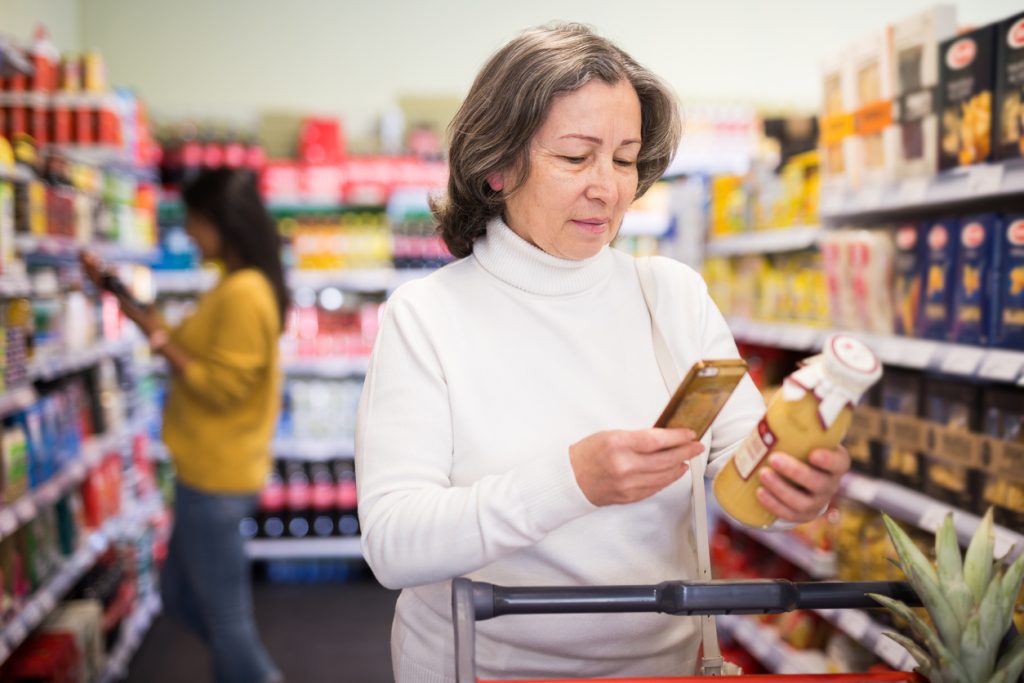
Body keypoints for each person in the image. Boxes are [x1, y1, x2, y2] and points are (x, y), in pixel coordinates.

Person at [355, 23, 851, 682]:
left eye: (624, 159)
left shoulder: (671, 296)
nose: (609, 188)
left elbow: (746, 467)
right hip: (482, 668)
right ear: (497, 164)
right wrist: (572, 482)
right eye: (575, 157)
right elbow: (394, 543)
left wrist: (798, 489)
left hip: (666, 667)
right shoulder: (428, 318)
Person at [81, 169, 287, 683]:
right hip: (205, 469)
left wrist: (161, 345)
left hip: (219, 474)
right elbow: (183, 343)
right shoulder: (234, 284)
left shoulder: (244, 292)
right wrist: (119, 295)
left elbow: (220, 385)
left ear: (222, 223)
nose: (189, 233)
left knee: (228, 620)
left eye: (194, 221)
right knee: (177, 596)